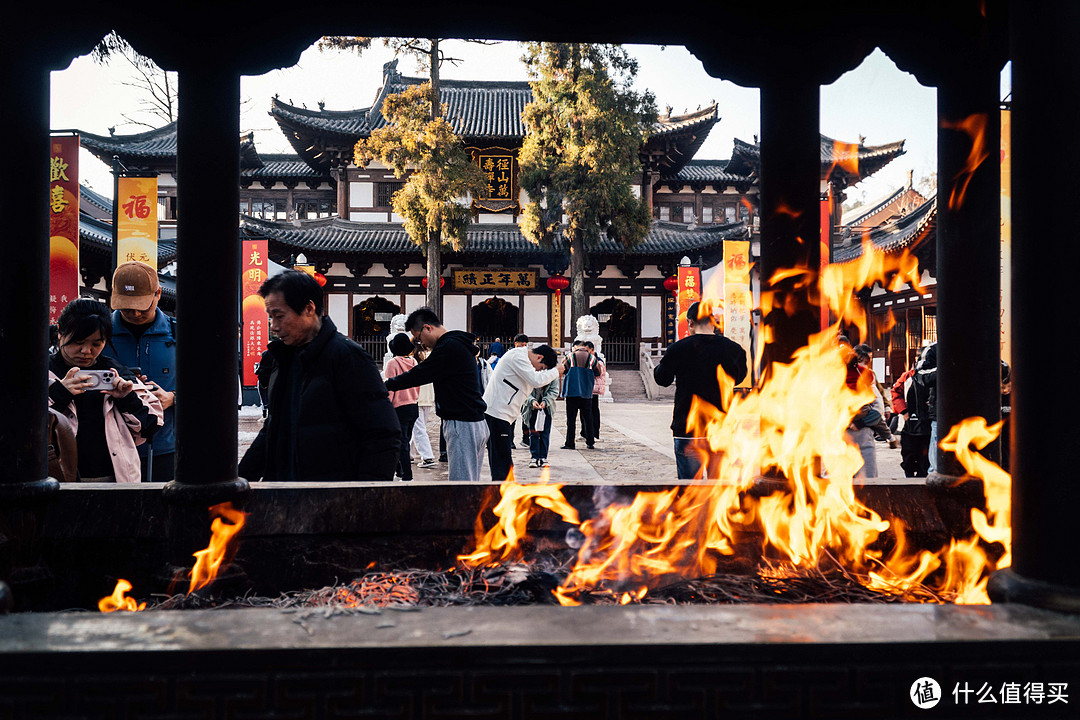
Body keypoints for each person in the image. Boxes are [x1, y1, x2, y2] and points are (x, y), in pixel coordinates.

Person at [238, 270, 400, 482]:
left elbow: (383, 436)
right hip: (283, 494)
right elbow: (273, 428)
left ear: (309, 309)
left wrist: (361, 498)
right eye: (270, 317)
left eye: (279, 316)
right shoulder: (283, 359)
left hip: (330, 498)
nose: (274, 327)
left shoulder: (348, 357)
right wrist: (242, 479)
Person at [48, 298, 163, 483]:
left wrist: (127, 398)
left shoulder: (116, 373)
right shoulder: (41, 373)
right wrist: (60, 393)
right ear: (60, 332)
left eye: (96, 344)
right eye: (78, 342)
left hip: (115, 480)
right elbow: (20, 425)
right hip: (57, 481)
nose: (86, 351)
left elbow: (152, 425)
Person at [383, 307, 490, 482]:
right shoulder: (456, 343)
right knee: (470, 484)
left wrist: (386, 384)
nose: (421, 343)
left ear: (427, 328)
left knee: (461, 486)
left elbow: (420, 374)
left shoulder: (448, 347)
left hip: (462, 423)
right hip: (473, 422)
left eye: (418, 338)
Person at [653, 301, 747, 479]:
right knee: (719, 490)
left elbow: (662, 379)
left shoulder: (678, 349)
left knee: (690, 492)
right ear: (714, 321)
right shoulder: (733, 349)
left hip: (687, 429)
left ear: (689, 322)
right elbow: (739, 378)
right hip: (721, 428)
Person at [108, 261, 177, 482]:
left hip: (166, 448)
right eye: (127, 307)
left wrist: (173, 398)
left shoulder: (178, 334)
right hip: (110, 450)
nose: (135, 313)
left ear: (157, 294)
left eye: (143, 306)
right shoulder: (99, 336)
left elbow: (210, 386)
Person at [482, 343, 561, 482]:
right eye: (541, 368)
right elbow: (536, 381)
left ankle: (506, 492)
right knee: (502, 461)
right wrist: (557, 370)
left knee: (503, 459)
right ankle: (502, 494)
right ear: (539, 357)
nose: (539, 370)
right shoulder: (518, 357)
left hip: (503, 415)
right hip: (497, 414)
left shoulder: (523, 359)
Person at [385, 333, 420, 481]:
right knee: (406, 439)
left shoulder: (392, 363)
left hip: (398, 407)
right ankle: (399, 470)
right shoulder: (414, 362)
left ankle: (407, 474)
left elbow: (389, 387)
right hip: (413, 405)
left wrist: (387, 406)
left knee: (401, 442)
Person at [854, 344, 898, 449]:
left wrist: (887, 407)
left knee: (878, 422)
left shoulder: (870, 374)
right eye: (860, 362)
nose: (863, 366)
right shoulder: (847, 373)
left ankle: (889, 438)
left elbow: (880, 392)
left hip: (870, 407)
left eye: (866, 363)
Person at [561, 340, 601, 450]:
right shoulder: (592, 358)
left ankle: (570, 443)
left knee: (571, 419)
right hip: (586, 392)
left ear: (576, 347)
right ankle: (590, 441)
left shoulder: (570, 356)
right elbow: (598, 372)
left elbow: (563, 369)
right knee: (588, 418)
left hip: (572, 392)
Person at [897, 356, 932, 477]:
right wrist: (903, 411)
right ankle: (909, 476)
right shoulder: (907, 376)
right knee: (908, 455)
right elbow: (896, 392)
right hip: (909, 425)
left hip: (928, 424)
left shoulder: (935, 374)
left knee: (925, 459)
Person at [523, 375, 559, 468]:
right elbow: (524, 389)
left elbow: (554, 391)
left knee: (545, 433)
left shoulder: (552, 374)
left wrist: (546, 401)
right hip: (532, 407)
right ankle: (534, 457)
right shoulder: (530, 371)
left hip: (547, 407)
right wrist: (532, 401)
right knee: (533, 433)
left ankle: (543, 457)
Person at [410, 347, 437, 470]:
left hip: (417, 398)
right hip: (427, 398)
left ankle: (427, 457)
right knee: (418, 428)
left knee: (418, 429)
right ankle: (410, 454)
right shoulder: (430, 360)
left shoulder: (413, 363)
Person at [915, 341, 938, 473]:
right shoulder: (934, 349)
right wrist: (948, 363)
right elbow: (921, 374)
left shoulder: (976, 343)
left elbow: (1003, 369)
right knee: (937, 467)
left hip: (975, 417)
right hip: (942, 415)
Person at [255, 347, 276, 419]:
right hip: (271, 381)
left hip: (262, 382)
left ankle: (264, 414)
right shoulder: (274, 361)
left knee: (263, 398)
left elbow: (257, 372)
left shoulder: (263, 362)